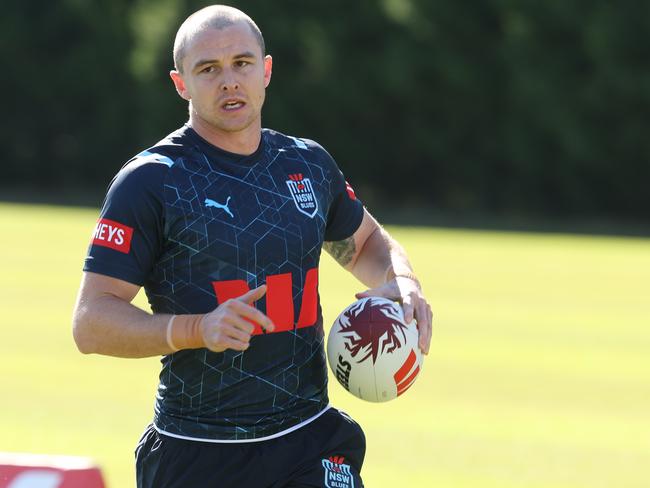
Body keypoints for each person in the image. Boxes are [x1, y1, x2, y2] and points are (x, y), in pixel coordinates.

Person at [72, 5, 432, 488]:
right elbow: (91, 322)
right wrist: (197, 328)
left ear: (265, 70)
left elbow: (366, 241)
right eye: (208, 69)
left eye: (241, 63)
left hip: (309, 440)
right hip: (198, 450)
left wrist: (402, 283)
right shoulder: (151, 182)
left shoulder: (306, 164)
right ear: (181, 83)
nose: (228, 81)